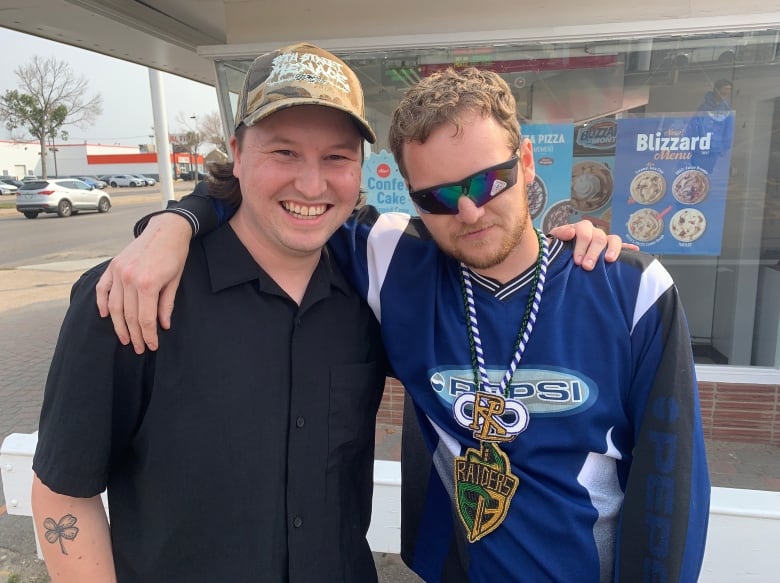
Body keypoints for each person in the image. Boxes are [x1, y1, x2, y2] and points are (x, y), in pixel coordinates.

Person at [93, 63, 694, 583]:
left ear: (527, 161)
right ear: (410, 195)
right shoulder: (393, 263)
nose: (468, 210)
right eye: (436, 196)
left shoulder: (630, 289)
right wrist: (178, 221)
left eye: (489, 181)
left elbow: (672, 486)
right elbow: (284, 188)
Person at [31, 43, 390, 582]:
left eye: (336, 157)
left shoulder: (371, 296)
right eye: (284, 153)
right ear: (237, 153)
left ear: (359, 168)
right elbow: (62, 492)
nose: (312, 185)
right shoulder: (129, 297)